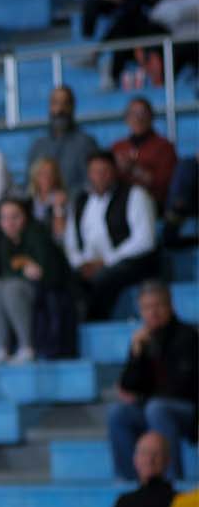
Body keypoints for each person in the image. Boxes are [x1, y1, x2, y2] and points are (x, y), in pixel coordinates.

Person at [108, 281, 198, 481]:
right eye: (147, 307)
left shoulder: (188, 336)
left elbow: (183, 385)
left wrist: (144, 396)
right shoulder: (142, 339)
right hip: (154, 407)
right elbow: (127, 386)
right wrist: (137, 355)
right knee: (119, 413)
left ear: (170, 306)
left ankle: (170, 483)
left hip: (189, 410)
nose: (153, 312)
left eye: (158, 305)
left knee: (157, 408)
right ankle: (132, 483)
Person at [0, 199, 69, 366]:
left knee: (11, 288)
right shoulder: (4, 242)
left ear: (25, 217)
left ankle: (27, 347)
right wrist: (23, 267)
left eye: (15, 217)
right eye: (4, 218)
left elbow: (44, 272)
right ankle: (2, 348)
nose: (9, 223)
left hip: (49, 290)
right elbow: (9, 270)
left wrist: (22, 268)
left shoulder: (37, 234)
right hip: (25, 285)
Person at [66, 152, 160, 320]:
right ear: (89, 174)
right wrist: (81, 263)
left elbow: (145, 239)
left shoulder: (135, 195)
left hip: (130, 262)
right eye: (95, 171)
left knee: (103, 278)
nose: (100, 176)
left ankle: (94, 323)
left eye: (105, 171)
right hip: (89, 263)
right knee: (63, 278)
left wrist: (107, 261)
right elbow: (70, 242)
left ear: (114, 171)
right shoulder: (80, 200)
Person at [27, 86, 98, 197]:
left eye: (65, 103)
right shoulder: (38, 145)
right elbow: (29, 185)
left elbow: (92, 184)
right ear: (49, 107)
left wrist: (66, 197)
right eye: (55, 103)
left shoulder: (86, 143)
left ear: (72, 107)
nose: (60, 109)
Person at [111, 97, 178, 210]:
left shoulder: (164, 147)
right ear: (126, 119)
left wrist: (135, 169)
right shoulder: (117, 147)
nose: (138, 118)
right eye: (133, 114)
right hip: (120, 203)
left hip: (153, 202)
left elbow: (165, 184)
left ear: (151, 117)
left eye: (143, 113)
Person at [144, 0, 199, 77]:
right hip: (175, 44)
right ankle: (157, 71)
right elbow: (151, 22)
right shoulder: (167, 2)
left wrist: (178, 15)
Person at [114, 432, 177, 507]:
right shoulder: (123, 502)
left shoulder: (180, 501)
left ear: (167, 459)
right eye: (144, 453)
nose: (149, 459)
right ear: (135, 459)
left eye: (156, 453)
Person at [27, 157, 70, 243]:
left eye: (50, 173)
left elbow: (61, 234)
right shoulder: (29, 201)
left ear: (56, 176)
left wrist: (58, 208)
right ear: (35, 176)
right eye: (42, 173)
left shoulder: (63, 199)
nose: (46, 177)